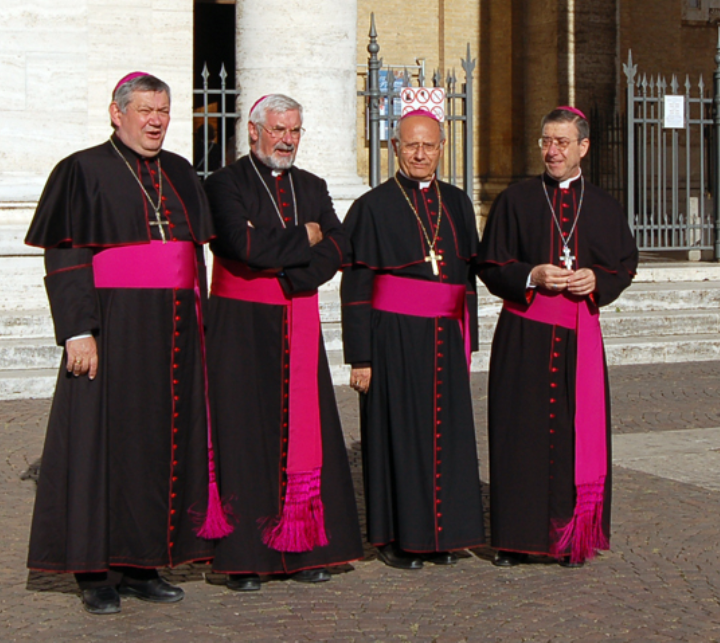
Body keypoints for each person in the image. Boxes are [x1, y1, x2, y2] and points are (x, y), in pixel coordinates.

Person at [24, 72, 232, 615]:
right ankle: (96, 572)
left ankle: (144, 563)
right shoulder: (82, 170)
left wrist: (202, 322)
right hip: (112, 330)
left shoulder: (182, 172)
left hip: (175, 335)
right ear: (117, 114)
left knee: (161, 444)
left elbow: (194, 257)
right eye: (145, 110)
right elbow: (66, 256)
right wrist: (77, 331)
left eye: (163, 110)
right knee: (102, 445)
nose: (157, 120)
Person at [203, 94, 363, 592]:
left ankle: (305, 550)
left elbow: (340, 244)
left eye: (295, 130)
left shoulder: (311, 185)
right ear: (253, 131)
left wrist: (298, 274)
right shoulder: (224, 184)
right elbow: (241, 246)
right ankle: (246, 557)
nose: (287, 140)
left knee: (303, 433)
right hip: (240, 323)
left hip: (297, 315)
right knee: (244, 433)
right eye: (278, 130)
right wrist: (305, 236)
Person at [477, 106, 638, 568]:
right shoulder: (515, 200)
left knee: (572, 435)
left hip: (577, 336)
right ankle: (513, 538)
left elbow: (624, 264)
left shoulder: (604, 206)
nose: (552, 151)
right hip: (524, 335)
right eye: (546, 141)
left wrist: (597, 281)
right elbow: (490, 264)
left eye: (562, 142)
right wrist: (531, 274)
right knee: (517, 433)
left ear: (583, 147)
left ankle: (572, 537)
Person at [341, 110, 484, 569]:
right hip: (392, 336)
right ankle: (394, 538)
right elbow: (357, 286)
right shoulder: (371, 207)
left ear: (442, 148)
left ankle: (441, 533)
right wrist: (359, 356)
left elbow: (467, 279)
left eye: (430, 145)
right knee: (396, 434)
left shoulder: (458, 203)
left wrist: (469, 339)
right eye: (411, 146)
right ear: (395, 148)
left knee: (446, 436)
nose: (420, 154)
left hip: (445, 335)